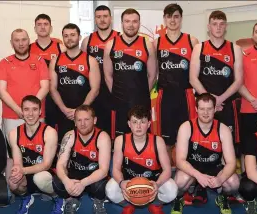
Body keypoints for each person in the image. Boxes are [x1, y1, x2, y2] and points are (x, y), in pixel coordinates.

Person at [170, 93, 240, 214]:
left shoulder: (223, 129)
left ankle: (222, 197)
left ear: (215, 109)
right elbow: (180, 161)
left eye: (209, 109)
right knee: (180, 182)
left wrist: (220, 178)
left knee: (234, 183)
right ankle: (179, 198)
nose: (205, 113)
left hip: (214, 168)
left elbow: (231, 163)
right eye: (202, 109)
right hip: (192, 168)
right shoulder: (186, 127)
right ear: (196, 109)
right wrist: (198, 175)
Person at [106, 105, 178, 214]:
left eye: (142, 122)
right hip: (129, 182)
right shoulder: (121, 140)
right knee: (110, 189)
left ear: (149, 124)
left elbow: (167, 170)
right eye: (135, 122)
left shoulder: (157, 141)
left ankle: (155, 205)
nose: (138, 126)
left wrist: (158, 184)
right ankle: (128, 206)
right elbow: (116, 169)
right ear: (129, 124)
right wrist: (121, 182)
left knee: (172, 190)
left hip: (152, 182)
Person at [189, 10, 243, 160]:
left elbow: (239, 80)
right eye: (214, 24)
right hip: (205, 105)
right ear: (209, 27)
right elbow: (193, 78)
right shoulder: (199, 48)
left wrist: (220, 99)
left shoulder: (235, 49)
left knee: (228, 144)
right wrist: (210, 100)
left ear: (226, 26)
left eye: (221, 24)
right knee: (202, 141)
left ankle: (227, 179)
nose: (218, 27)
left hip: (227, 104)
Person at [153, 3, 199, 165]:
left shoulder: (191, 41)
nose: (172, 20)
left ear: (181, 18)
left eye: (176, 16)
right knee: (165, 140)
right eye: (169, 16)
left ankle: (186, 177)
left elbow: (197, 72)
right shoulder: (156, 43)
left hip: (185, 95)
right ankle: (167, 175)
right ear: (164, 19)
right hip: (165, 96)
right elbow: (153, 72)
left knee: (187, 137)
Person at [103, 8, 157, 139]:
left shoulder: (147, 44)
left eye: (134, 21)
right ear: (121, 23)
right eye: (127, 21)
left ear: (139, 23)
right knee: (119, 140)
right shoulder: (111, 45)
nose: (131, 25)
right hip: (119, 102)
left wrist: (141, 93)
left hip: (141, 101)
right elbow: (108, 76)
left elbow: (152, 75)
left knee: (143, 138)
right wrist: (118, 93)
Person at [5, 95, 62, 214]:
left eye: (35, 109)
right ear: (22, 111)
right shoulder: (14, 133)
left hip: (48, 173)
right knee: (13, 183)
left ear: (40, 112)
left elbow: (46, 164)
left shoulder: (49, 132)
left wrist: (22, 170)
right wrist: (17, 172)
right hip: (27, 172)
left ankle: (57, 197)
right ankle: (26, 197)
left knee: (40, 178)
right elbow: (17, 162)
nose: (30, 114)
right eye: (26, 109)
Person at [52, 105, 111, 214]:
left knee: (102, 186)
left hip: (93, 179)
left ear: (94, 120)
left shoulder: (102, 137)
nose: (83, 124)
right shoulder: (69, 136)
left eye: (86, 119)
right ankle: (70, 200)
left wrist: (83, 183)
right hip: (74, 179)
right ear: (74, 122)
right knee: (57, 181)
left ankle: (98, 201)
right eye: (79, 120)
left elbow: (104, 170)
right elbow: (60, 164)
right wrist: (66, 181)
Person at [0, 28, 50, 147]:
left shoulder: (40, 61)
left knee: (37, 151)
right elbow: (1, 91)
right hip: (12, 116)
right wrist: (19, 110)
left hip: (36, 116)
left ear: (28, 41)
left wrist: (30, 109)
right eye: (17, 40)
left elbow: (45, 87)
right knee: (13, 153)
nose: (21, 43)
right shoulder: (4, 63)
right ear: (11, 43)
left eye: (24, 40)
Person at [49, 23, 100, 145]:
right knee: (64, 147)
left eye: (72, 35)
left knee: (85, 147)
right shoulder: (55, 61)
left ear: (79, 37)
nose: (69, 38)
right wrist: (64, 109)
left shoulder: (90, 60)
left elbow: (95, 89)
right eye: (66, 36)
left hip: (84, 114)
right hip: (63, 113)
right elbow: (52, 89)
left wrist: (80, 111)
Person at [81, 5, 120, 135]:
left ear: (111, 18)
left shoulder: (119, 38)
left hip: (114, 91)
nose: (102, 20)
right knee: (94, 129)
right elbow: (82, 66)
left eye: (105, 16)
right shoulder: (88, 41)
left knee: (113, 129)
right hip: (94, 92)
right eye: (98, 17)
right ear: (95, 19)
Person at [30, 13, 67, 129]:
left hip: (55, 95)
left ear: (51, 28)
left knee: (55, 129)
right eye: (39, 24)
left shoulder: (61, 48)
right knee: (38, 129)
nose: (42, 27)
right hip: (37, 94)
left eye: (46, 24)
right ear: (35, 28)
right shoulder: (29, 49)